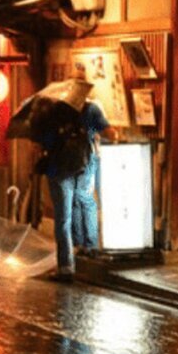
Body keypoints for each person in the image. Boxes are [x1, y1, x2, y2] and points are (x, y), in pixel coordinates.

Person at [39, 95, 113, 281]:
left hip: (58, 170)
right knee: (85, 205)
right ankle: (89, 250)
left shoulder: (54, 112)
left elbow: (45, 143)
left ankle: (66, 268)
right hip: (84, 167)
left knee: (63, 219)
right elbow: (111, 134)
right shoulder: (90, 109)